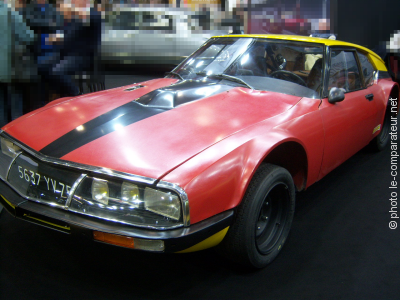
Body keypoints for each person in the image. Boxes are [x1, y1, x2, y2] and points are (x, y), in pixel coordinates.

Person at [37, 0, 102, 98]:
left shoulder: (92, 14)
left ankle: (76, 95)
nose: (73, 2)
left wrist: (80, 14)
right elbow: (66, 34)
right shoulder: (74, 17)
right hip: (65, 52)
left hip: (81, 55)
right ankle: (57, 94)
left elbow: (90, 20)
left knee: (57, 72)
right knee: (41, 66)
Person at [0, 0, 35, 127]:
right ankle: (16, 133)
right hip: (10, 67)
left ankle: (3, 135)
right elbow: (28, 37)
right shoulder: (10, 13)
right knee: (15, 102)